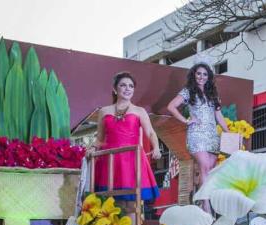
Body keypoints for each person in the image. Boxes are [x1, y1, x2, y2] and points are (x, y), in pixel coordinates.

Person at [167, 63, 231, 211]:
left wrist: (227, 131)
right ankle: (206, 205)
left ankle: (204, 200)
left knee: (210, 169)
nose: (201, 77)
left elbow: (218, 115)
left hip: (212, 135)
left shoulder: (212, 94)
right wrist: (187, 121)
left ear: (208, 77)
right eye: (199, 74)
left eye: (204, 74)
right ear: (194, 75)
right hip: (196, 134)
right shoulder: (188, 91)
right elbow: (171, 106)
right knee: (204, 166)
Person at [93, 72, 161, 209]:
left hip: (132, 159)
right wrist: (91, 149)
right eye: (123, 85)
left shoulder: (139, 111)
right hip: (109, 160)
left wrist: (156, 147)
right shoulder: (104, 111)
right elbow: (99, 140)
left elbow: (150, 132)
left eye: (131, 86)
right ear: (115, 89)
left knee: (131, 203)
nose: (127, 88)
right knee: (110, 203)